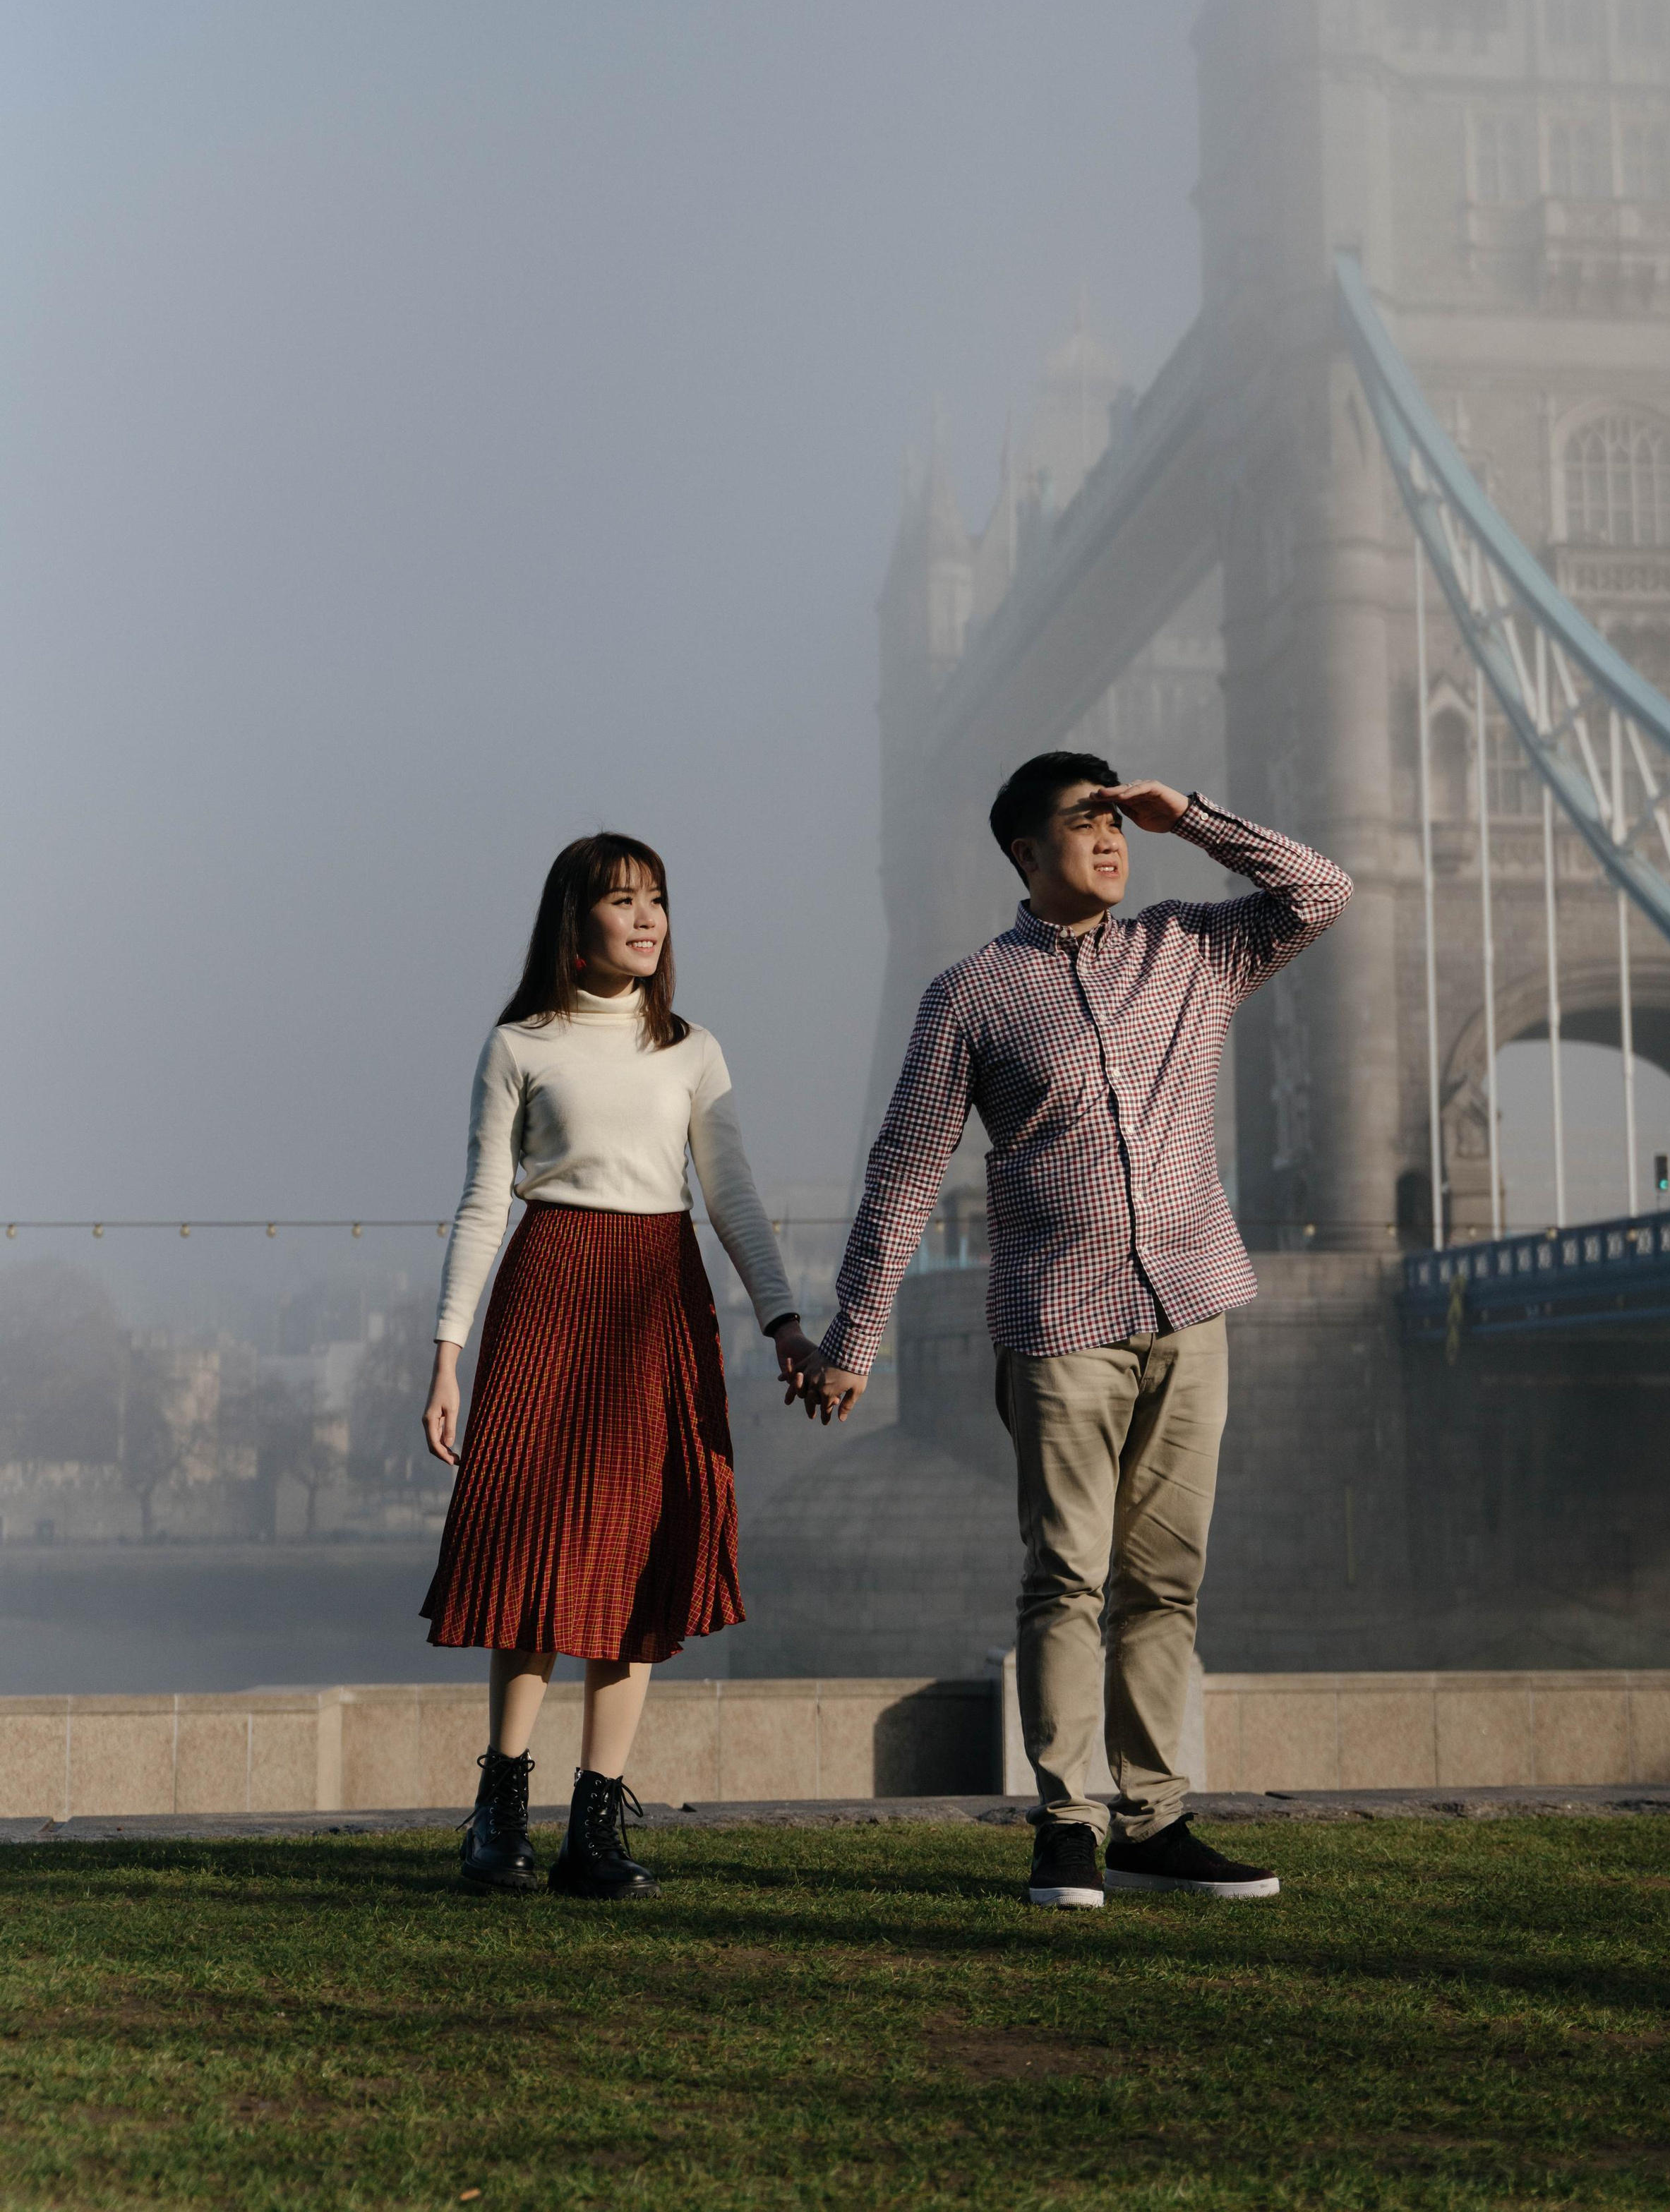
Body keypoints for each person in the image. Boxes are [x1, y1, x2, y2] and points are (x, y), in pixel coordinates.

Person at [805, 755, 1350, 1910]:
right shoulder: (969, 995)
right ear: (1023, 852)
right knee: (1067, 1577)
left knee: (1167, 1582)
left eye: (1118, 821)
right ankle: (1067, 1824)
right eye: (1085, 821)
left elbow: (1321, 891)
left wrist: (1188, 816)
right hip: (1059, 1323)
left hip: (1192, 1308)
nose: (1111, 838)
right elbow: (906, 1170)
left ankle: (1154, 1821)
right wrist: (856, 1334)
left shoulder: (1193, 947)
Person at [419, 831, 813, 1900]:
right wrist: (448, 1357)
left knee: (640, 1551)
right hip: (549, 1291)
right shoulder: (519, 1044)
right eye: (622, 899)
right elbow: (482, 1203)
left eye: (658, 900)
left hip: (661, 1298)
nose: (647, 918)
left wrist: (782, 1320)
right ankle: (500, 1811)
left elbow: (732, 1195)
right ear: (574, 920)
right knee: (534, 1546)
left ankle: (594, 1827)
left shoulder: (692, 1049)